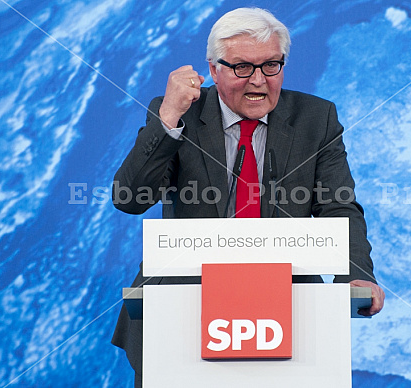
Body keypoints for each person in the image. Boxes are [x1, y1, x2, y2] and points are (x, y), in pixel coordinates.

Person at [111, 7, 385, 386]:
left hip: (286, 311)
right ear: (213, 69)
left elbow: (337, 205)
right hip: (181, 309)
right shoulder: (178, 113)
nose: (258, 80)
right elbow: (130, 198)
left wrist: (355, 275)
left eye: (271, 65)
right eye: (242, 67)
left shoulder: (315, 118)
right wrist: (169, 117)